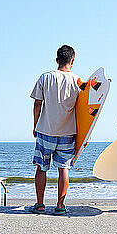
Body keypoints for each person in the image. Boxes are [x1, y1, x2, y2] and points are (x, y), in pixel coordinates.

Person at [29, 45, 84, 215]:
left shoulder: (45, 78)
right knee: (64, 169)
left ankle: (40, 204)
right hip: (68, 133)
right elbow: (84, 112)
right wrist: (84, 135)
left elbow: (37, 103)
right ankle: (60, 205)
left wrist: (35, 125)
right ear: (72, 61)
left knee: (41, 167)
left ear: (56, 60)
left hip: (46, 130)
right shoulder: (78, 81)